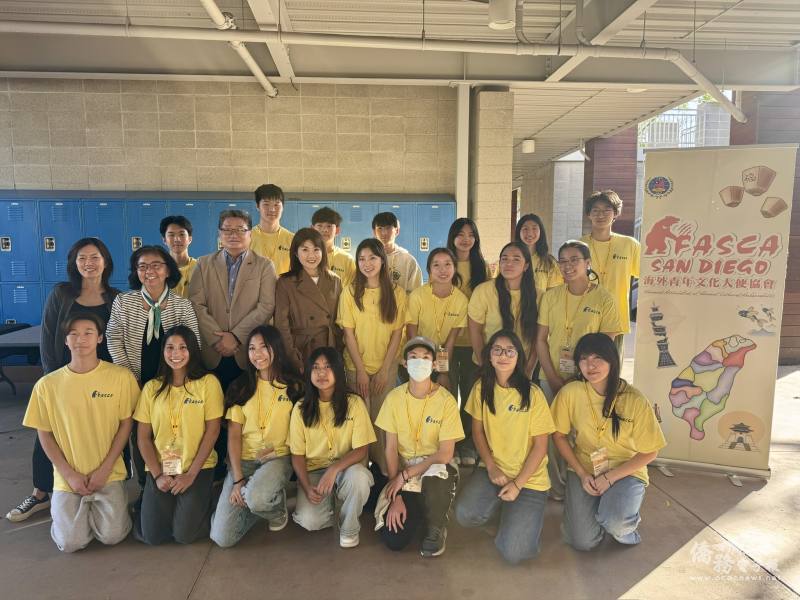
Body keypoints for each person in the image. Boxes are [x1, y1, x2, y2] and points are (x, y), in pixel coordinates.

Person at [7, 238, 120, 523]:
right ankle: (40, 493)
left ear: (105, 262)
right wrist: (53, 381)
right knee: (50, 431)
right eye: (82, 258)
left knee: (102, 433)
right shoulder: (61, 294)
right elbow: (48, 338)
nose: (88, 263)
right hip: (64, 376)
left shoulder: (115, 298)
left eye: (94, 257)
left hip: (103, 380)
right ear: (74, 263)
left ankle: (103, 485)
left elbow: (120, 341)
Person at [22, 313, 139, 552]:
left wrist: (105, 468)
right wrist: (69, 474)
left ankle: (95, 512)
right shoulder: (47, 385)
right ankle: (71, 513)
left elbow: (126, 424)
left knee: (113, 536)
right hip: (68, 478)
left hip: (109, 474)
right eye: (73, 334)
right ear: (65, 340)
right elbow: (45, 434)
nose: (80, 339)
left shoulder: (121, 377)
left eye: (88, 333)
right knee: (70, 543)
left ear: (100, 338)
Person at [551, 333, 665, 551]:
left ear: (612, 361)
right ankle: (604, 513)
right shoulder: (570, 393)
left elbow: (650, 452)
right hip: (584, 468)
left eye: (598, 358)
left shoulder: (634, 399)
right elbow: (559, 436)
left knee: (615, 523)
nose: (590, 365)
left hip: (625, 470)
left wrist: (609, 478)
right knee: (582, 541)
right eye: (584, 359)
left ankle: (624, 525)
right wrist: (582, 474)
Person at [455, 330, 555, 565]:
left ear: (519, 356)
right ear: (489, 356)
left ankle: (520, 518)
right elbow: (477, 432)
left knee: (514, 553)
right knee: (465, 514)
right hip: (495, 472)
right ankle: (505, 513)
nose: (503, 355)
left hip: (529, 480)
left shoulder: (533, 394)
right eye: (497, 350)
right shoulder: (481, 388)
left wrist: (518, 484)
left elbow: (541, 447)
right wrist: (491, 467)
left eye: (510, 351)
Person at [535, 240, 622, 500]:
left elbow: (606, 346)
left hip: (590, 380)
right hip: (551, 376)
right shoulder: (551, 296)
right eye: (563, 261)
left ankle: (590, 479)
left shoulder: (604, 299)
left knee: (587, 433)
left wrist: (582, 378)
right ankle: (557, 485)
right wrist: (552, 377)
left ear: (588, 263)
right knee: (552, 432)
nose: (568, 266)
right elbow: (540, 340)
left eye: (574, 260)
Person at [210, 326, 302, 547]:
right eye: (252, 348)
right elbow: (234, 436)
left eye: (264, 347)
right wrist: (238, 480)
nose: (257, 354)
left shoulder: (294, 386)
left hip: (278, 458)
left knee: (256, 498)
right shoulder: (240, 387)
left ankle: (275, 508)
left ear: (276, 349)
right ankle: (255, 497)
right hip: (244, 461)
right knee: (222, 538)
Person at [134, 326, 223, 545]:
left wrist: (190, 475)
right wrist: (157, 475)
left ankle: (211, 499)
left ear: (192, 350)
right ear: (163, 351)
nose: (176, 354)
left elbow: (213, 431)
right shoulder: (151, 388)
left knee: (184, 535)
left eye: (183, 347)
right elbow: (143, 437)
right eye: (170, 347)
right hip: (161, 469)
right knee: (153, 536)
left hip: (197, 467)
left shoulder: (208, 383)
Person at [375, 336, 464, 557]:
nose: (419, 362)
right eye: (413, 357)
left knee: (437, 478)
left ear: (434, 365)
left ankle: (436, 527)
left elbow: (445, 454)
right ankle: (422, 511)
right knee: (395, 540)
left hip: (433, 467)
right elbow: (390, 449)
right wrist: (396, 495)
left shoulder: (446, 401)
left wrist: (405, 476)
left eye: (425, 358)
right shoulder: (393, 398)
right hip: (404, 471)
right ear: (405, 363)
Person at [289, 347, 376, 548]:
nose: (321, 373)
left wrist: (334, 469)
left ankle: (349, 529)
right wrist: (306, 486)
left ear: (338, 370)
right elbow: (297, 455)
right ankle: (337, 504)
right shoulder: (300, 408)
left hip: (346, 468)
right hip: (314, 473)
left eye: (327, 367)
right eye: (316, 367)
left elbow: (362, 450)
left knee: (359, 478)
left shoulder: (354, 403)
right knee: (310, 522)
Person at [337, 238, 406, 475]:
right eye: (362, 259)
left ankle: (385, 473)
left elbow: (397, 334)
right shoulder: (350, 292)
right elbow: (348, 334)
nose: (367, 263)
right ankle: (359, 474)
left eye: (372, 258)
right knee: (359, 422)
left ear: (382, 260)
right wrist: (361, 371)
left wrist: (385, 370)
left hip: (386, 367)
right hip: (356, 367)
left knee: (383, 422)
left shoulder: (397, 293)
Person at [189, 209, 277, 391]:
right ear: (219, 234)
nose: (233, 235)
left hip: (248, 351)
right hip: (211, 351)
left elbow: (266, 306)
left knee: (245, 402)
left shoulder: (264, 266)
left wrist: (236, 336)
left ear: (250, 234)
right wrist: (217, 340)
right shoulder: (203, 264)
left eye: (240, 230)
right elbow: (196, 304)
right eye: (227, 229)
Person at [106, 245, 200, 384]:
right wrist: (130, 377)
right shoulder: (123, 302)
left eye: (156, 265)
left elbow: (194, 343)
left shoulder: (182, 305)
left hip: (173, 381)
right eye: (142, 266)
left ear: (168, 270)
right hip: (132, 379)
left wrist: (178, 378)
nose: (149, 271)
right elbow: (113, 339)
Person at [446, 218, 490, 466]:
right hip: (448, 343)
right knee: (449, 395)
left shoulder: (482, 267)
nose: (466, 239)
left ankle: (470, 445)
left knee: (472, 396)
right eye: (460, 234)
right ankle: (450, 444)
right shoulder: (445, 262)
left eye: (471, 234)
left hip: (475, 343)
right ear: (452, 237)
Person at [580, 191, 640, 357]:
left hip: (615, 320)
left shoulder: (629, 245)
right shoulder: (579, 245)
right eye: (595, 210)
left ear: (615, 213)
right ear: (588, 214)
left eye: (607, 210)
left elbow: (648, 276)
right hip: (583, 316)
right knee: (583, 363)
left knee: (611, 366)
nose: (601, 215)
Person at [275, 228, 343, 373]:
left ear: (323, 252)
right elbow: (281, 325)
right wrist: (292, 357)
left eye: (316, 249)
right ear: (296, 253)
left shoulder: (335, 280)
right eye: (305, 250)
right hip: (301, 350)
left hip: (329, 348)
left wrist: (338, 352)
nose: (311, 255)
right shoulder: (285, 282)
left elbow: (340, 321)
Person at [468, 241, 538, 377]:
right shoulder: (483, 291)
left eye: (516, 259)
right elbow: (475, 332)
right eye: (504, 259)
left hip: (522, 368)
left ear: (526, 266)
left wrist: (528, 370)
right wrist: (485, 367)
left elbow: (538, 337)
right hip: (488, 366)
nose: (509, 263)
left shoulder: (538, 295)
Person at [405, 247, 468, 393]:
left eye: (447, 264)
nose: (442, 270)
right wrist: (420, 364)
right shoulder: (417, 296)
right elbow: (412, 334)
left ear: (455, 268)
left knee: (444, 392)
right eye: (436, 265)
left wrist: (443, 372)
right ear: (429, 270)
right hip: (417, 353)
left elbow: (450, 341)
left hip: (443, 355)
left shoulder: (461, 301)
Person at [515, 213, 562, 302]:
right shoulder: (509, 259)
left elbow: (553, 295)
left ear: (541, 231)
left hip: (541, 309)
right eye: (525, 229)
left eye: (534, 228)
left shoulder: (549, 262)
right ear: (518, 232)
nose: (530, 233)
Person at [372, 211, 422, 295]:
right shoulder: (366, 260)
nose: (384, 233)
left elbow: (416, 293)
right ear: (374, 232)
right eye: (380, 228)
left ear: (397, 231)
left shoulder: (408, 261)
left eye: (388, 228)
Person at [249, 183, 294, 276]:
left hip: (283, 285)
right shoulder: (248, 237)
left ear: (283, 207)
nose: (272, 209)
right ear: (257, 206)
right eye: (266, 204)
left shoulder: (292, 239)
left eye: (276, 205)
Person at [311, 206, 356, 287]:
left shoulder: (346, 259)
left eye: (329, 226)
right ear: (312, 229)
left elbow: (352, 288)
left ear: (337, 230)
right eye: (320, 226)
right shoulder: (304, 257)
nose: (324, 230)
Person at [160, 215, 197, 298]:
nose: (177, 239)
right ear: (164, 240)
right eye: (171, 235)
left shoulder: (200, 268)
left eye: (182, 234)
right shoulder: (158, 269)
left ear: (190, 239)